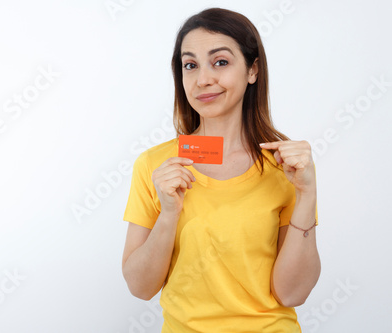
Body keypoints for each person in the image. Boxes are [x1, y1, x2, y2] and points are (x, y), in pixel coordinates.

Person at [121, 7, 321, 333]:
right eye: (190, 65)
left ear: (252, 69)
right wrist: (169, 212)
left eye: (221, 62)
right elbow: (139, 287)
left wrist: (307, 194)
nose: (203, 79)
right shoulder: (155, 165)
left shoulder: (287, 166)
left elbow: (292, 292)